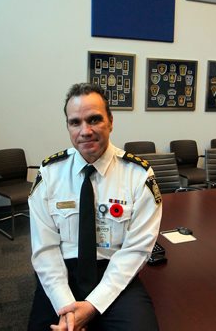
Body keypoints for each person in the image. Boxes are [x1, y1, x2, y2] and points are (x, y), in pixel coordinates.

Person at [28, 83, 162, 330]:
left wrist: (91, 306)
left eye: (94, 120)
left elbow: (136, 250)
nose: (85, 131)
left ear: (110, 122)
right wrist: (67, 307)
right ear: (68, 126)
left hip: (116, 274)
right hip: (62, 274)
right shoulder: (49, 174)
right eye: (75, 122)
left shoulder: (138, 175)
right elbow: (44, 249)